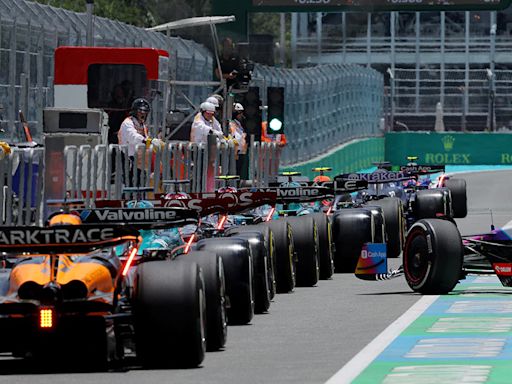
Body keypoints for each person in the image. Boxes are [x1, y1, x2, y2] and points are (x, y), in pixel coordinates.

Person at [118, 98, 162, 184]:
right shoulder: (128, 122)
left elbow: (146, 137)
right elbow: (133, 137)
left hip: (139, 158)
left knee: (139, 182)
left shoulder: (143, 125)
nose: (143, 114)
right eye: (140, 111)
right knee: (129, 182)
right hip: (128, 156)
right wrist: (148, 141)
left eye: (145, 112)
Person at [229, 103, 248, 178]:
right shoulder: (230, 124)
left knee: (238, 172)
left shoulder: (239, 124)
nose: (242, 115)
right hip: (234, 152)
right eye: (240, 113)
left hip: (240, 151)